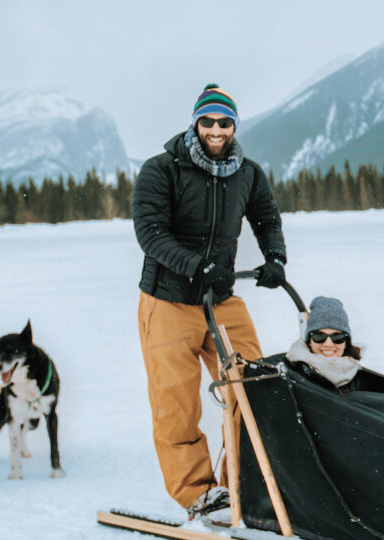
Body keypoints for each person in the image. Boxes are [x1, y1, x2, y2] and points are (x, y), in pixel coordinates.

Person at [132, 83, 287, 520]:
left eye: (224, 122)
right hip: (168, 302)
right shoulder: (161, 170)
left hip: (221, 301)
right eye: (208, 121)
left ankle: (239, 481)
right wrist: (195, 265)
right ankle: (198, 494)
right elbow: (150, 233)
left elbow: (266, 217)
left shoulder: (248, 173)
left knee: (256, 390)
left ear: (234, 126)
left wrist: (275, 258)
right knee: (177, 405)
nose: (215, 129)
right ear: (195, 123)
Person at [286, 297, 363, 388]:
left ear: (346, 342)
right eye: (319, 336)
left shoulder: (358, 376)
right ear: (309, 341)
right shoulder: (292, 376)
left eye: (337, 337)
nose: (328, 344)